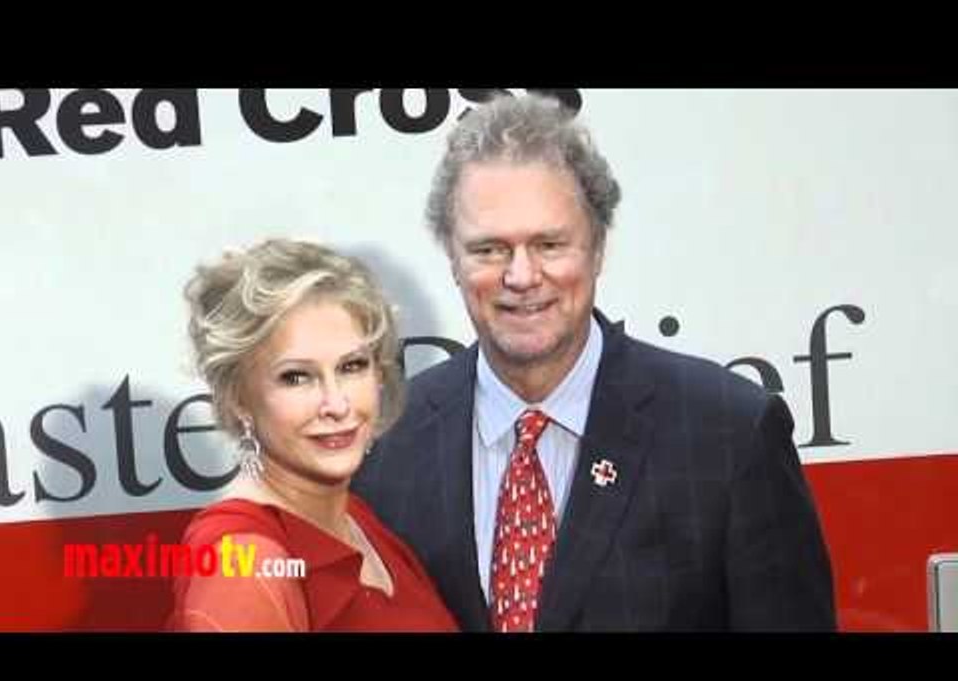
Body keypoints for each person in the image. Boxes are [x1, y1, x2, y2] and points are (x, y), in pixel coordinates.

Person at [353, 93, 836, 631]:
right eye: (489, 249)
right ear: (453, 260)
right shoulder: (386, 441)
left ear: (598, 247)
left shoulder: (731, 435)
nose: (521, 276)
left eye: (550, 244)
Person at [168, 238, 458, 632]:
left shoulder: (356, 517)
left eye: (352, 366)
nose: (336, 404)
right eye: (296, 377)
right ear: (238, 398)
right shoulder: (245, 567)